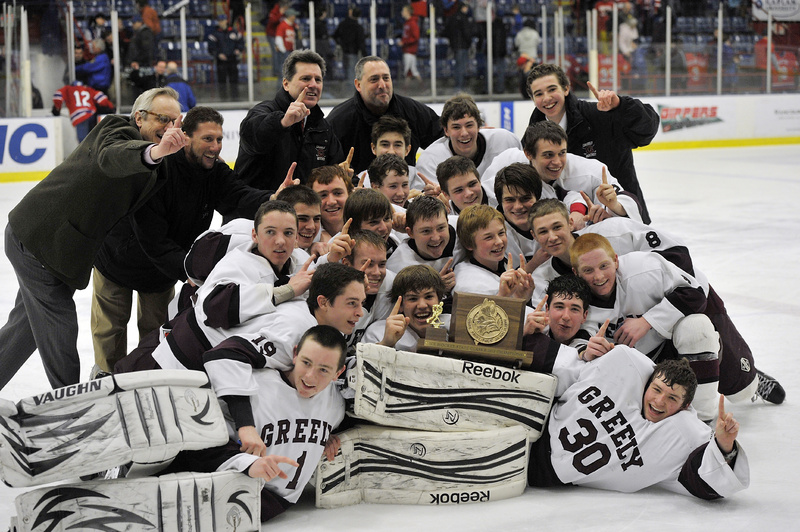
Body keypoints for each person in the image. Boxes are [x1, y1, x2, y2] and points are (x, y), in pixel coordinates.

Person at [0, 87, 186, 391]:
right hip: (38, 239)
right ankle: (70, 402)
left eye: (175, 122)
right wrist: (154, 152)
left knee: (27, 329)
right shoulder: (113, 129)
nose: (169, 128)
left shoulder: (157, 162)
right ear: (139, 117)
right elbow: (111, 158)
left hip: (60, 250)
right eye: (163, 119)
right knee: (59, 326)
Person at [527, 199, 785, 408]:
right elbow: (566, 334)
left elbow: (682, 266)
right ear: (575, 272)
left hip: (680, 298)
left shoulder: (629, 251)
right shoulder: (548, 281)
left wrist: (649, 317)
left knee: (722, 364)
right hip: (642, 351)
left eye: (557, 227)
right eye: (543, 231)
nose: (552, 236)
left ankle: (742, 378)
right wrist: (586, 351)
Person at [91, 107, 272, 375]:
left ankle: (142, 381)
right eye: (208, 139)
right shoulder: (159, 171)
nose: (215, 146)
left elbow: (237, 195)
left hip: (161, 269)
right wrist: (188, 270)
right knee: (110, 330)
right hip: (118, 259)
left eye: (219, 139)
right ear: (185, 138)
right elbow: (152, 239)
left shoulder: (213, 169)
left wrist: (271, 199)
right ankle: (105, 382)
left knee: (153, 333)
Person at [166, 325, 347, 523]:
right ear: (295, 354)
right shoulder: (256, 383)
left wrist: (325, 438)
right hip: (225, 478)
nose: (310, 376)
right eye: (306, 362)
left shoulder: (335, 403)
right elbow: (202, 439)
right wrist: (247, 463)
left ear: (338, 373)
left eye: (323, 370)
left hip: (274, 504)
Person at [527, 346, 749, 500]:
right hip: (534, 424)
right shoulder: (624, 365)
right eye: (657, 389)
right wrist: (585, 348)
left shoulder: (682, 432)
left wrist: (724, 446)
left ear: (685, 406)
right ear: (649, 381)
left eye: (672, 398)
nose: (659, 402)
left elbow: (706, 482)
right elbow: (568, 371)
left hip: (540, 476)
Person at [119, 200, 313, 374]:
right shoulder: (237, 262)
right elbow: (215, 308)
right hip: (178, 351)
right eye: (270, 232)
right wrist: (288, 290)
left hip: (212, 362)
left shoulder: (300, 262)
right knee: (124, 384)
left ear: (296, 238)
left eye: (288, 233)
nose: (280, 241)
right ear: (254, 235)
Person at [526, 63, 659, 223]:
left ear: (566, 89)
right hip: (574, 226)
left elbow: (647, 131)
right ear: (533, 99)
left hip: (621, 216)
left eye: (552, 89)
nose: (547, 98)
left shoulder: (601, 114)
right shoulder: (533, 136)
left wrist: (620, 107)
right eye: (539, 94)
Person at [483, 121, 645, 228]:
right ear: (528, 154)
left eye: (562, 153)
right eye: (548, 155)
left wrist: (614, 207)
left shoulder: (591, 171)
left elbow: (626, 206)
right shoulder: (507, 162)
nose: (558, 162)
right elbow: (482, 198)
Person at [234, 50, 344, 199]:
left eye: (318, 80)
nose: (313, 85)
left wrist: (349, 180)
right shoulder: (262, 111)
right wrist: (283, 122)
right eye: (306, 78)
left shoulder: (322, 126)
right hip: (255, 215)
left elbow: (337, 167)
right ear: (286, 84)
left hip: (300, 216)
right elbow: (253, 137)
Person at [326, 56, 443, 174]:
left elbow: (446, 141)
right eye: (374, 79)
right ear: (358, 85)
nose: (382, 85)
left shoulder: (414, 112)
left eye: (386, 78)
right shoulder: (339, 121)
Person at [416, 93, 521, 180]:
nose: (464, 133)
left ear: (479, 126)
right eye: (456, 127)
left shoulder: (506, 141)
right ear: (446, 131)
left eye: (469, 125)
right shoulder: (430, 161)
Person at [453, 204, 533, 301]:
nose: (499, 241)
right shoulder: (469, 285)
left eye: (501, 233)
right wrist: (502, 298)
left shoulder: (499, 262)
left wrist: (522, 298)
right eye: (488, 237)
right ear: (468, 244)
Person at [363, 264, 449, 351]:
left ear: (439, 299)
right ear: (400, 305)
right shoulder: (379, 332)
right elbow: (361, 363)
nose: (422, 305)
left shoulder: (453, 326)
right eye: (413, 298)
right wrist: (386, 344)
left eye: (429, 296)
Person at [386, 195, 458, 292]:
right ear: (410, 233)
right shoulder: (397, 267)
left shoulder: (461, 228)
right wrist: (435, 289)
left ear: (447, 222)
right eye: (426, 231)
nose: (436, 238)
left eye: (441, 228)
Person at [309, 165, 353, 241]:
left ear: (350, 194)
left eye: (337, 193)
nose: (331, 202)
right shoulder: (304, 236)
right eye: (323, 195)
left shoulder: (366, 226)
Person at [207, 14, 244, 100]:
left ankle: (235, 99)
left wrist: (238, 49)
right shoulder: (215, 34)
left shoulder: (234, 32)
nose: (221, 23)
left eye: (223, 20)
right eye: (220, 21)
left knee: (234, 80)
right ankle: (223, 99)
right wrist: (218, 54)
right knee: (222, 81)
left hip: (233, 60)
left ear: (226, 21)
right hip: (221, 62)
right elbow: (211, 48)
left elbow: (241, 43)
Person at [444, 1, 475, 92]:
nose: (467, 9)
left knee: (458, 66)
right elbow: (467, 33)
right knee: (461, 67)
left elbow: (447, 31)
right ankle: (460, 87)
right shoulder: (464, 18)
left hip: (455, 46)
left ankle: (458, 86)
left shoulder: (452, 17)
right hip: (463, 46)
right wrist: (469, 42)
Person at [332, 5, 367, 81]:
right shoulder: (358, 27)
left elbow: (335, 35)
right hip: (353, 52)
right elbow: (361, 42)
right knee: (351, 73)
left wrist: (340, 44)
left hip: (344, 51)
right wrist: (365, 55)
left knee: (347, 71)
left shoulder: (343, 24)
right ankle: (350, 91)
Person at [400, 5, 421, 81]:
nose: (401, 12)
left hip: (410, 50)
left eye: (403, 11)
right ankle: (407, 89)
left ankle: (421, 86)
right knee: (411, 71)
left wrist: (404, 42)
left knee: (408, 71)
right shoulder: (407, 23)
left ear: (408, 12)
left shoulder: (412, 23)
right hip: (407, 50)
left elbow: (416, 37)